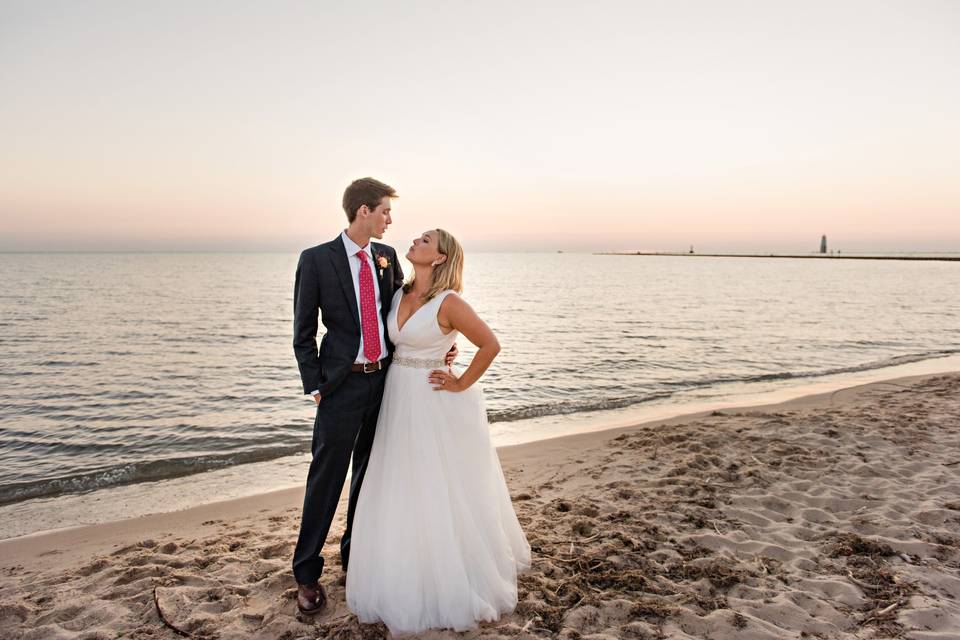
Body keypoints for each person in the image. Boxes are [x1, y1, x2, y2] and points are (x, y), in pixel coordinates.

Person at [346, 229, 531, 635]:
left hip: (432, 400)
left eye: (426, 240)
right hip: (396, 395)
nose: (415, 240)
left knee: (434, 483)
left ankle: (446, 574)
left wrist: (460, 382)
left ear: (442, 258)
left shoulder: (450, 303)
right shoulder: (398, 292)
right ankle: (400, 565)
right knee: (398, 481)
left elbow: (490, 344)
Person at [290, 178, 456, 615]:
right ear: (364, 210)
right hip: (340, 388)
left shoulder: (385, 259)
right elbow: (302, 333)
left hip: (384, 382)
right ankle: (306, 574)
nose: (389, 220)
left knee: (368, 476)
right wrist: (317, 387)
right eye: (385, 211)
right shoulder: (316, 260)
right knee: (325, 480)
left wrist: (441, 346)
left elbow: (407, 311)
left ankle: (353, 557)